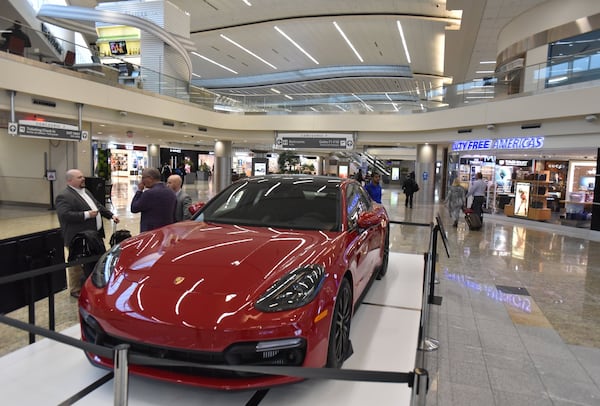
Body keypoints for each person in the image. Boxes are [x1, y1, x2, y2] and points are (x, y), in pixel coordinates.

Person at [55, 169, 119, 297]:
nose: (83, 179)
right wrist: (86, 215)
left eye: (82, 176)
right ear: (70, 180)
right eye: (79, 177)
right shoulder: (64, 196)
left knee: (95, 259)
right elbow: (65, 215)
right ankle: (75, 289)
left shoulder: (86, 192)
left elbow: (98, 206)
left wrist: (110, 215)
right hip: (77, 236)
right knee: (76, 264)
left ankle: (91, 283)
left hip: (93, 235)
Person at [131, 167, 176, 232]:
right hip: (166, 231)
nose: (142, 181)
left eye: (143, 178)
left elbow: (134, 208)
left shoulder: (149, 193)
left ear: (150, 178)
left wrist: (139, 191)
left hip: (150, 232)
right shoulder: (171, 192)